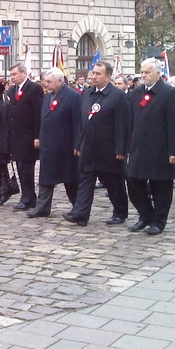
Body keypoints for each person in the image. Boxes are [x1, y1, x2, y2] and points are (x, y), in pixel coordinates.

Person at [65, 61, 130, 226]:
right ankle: (81, 213)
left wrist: (122, 148)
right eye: (92, 73)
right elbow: (82, 121)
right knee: (86, 180)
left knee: (114, 182)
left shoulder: (117, 96)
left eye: (98, 74)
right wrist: (78, 143)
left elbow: (123, 123)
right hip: (89, 146)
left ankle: (120, 212)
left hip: (109, 148)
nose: (93, 76)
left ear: (108, 77)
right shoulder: (87, 93)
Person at [125, 58, 175, 235]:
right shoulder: (136, 93)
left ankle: (159, 220)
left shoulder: (168, 93)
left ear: (158, 74)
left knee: (161, 187)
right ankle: (145, 215)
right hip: (139, 148)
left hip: (160, 148)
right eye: (142, 72)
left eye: (147, 72)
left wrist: (174, 150)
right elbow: (131, 121)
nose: (143, 75)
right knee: (133, 182)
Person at [27, 67, 81, 218]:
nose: (46, 84)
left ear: (60, 81)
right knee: (45, 179)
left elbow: (78, 123)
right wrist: (39, 137)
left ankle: (78, 208)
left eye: (49, 82)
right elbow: (44, 119)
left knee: (70, 181)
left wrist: (78, 144)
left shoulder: (73, 96)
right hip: (48, 145)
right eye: (45, 81)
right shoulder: (47, 96)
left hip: (66, 146)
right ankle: (42, 207)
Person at [6, 62, 44, 211]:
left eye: (15, 74)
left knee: (26, 167)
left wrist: (37, 136)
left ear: (24, 73)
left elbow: (38, 114)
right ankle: (27, 196)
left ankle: (28, 197)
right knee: (20, 167)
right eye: (11, 75)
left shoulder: (34, 89)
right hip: (15, 136)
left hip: (28, 137)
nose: (12, 78)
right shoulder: (11, 91)